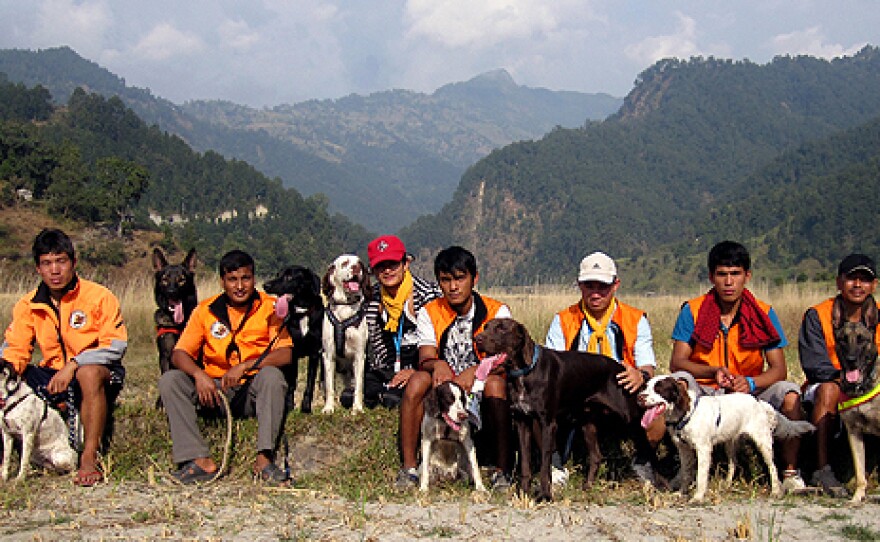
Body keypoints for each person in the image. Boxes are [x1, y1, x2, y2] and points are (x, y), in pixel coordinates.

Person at [669, 240, 808, 492]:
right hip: (707, 391)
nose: (729, 282)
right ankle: (683, 468)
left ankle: (790, 472)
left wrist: (751, 382)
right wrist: (713, 371)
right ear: (712, 277)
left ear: (747, 276)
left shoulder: (764, 313)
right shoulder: (693, 310)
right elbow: (677, 361)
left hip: (750, 390)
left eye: (735, 274)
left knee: (789, 393)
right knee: (679, 379)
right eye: (722, 274)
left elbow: (779, 369)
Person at [0, 228, 127, 487]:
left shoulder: (99, 296)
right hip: (52, 374)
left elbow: (115, 345)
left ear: (73, 263)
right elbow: (16, 349)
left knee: (88, 372)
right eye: (47, 263)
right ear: (38, 269)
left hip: (96, 371)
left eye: (61, 261)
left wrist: (75, 363)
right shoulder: (28, 305)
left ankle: (90, 457)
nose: (55, 270)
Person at [159, 249, 293, 484]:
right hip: (213, 391)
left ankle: (264, 460)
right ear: (222, 282)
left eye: (246, 279)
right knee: (170, 380)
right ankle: (199, 460)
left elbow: (285, 353)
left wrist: (246, 366)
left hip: (251, 391)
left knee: (272, 376)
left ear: (254, 278)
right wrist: (198, 375)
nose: (239, 286)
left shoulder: (269, 306)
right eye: (232, 280)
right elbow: (179, 353)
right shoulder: (205, 310)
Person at [394, 246, 513, 490]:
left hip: (481, 380)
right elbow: (426, 355)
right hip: (446, 385)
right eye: (446, 280)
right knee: (417, 382)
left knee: (496, 384)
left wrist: (476, 372)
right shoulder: (431, 312)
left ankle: (502, 470)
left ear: (474, 278)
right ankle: (409, 469)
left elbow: (507, 358)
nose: (453, 287)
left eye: (460, 278)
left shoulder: (497, 311)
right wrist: (437, 364)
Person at [545, 251, 660, 485]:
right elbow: (551, 369)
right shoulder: (563, 319)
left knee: (656, 409)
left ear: (616, 285)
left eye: (603, 286)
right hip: (574, 396)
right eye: (589, 285)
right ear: (579, 285)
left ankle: (642, 459)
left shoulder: (635, 319)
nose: (595, 293)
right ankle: (554, 461)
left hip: (620, 390)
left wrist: (641, 375)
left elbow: (647, 365)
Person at [798, 253, 879, 497]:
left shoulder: (876, 316)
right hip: (827, 386)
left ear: (873, 286)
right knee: (830, 389)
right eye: (851, 278)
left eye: (864, 279)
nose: (857, 285)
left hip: (870, 386)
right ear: (838, 282)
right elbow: (813, 364)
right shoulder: (818, 315)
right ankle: (822, 470)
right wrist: (843, 376)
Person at [363, 234, 441, 409]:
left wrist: (416, 371)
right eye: (380, 266)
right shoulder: (370, 300)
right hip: (386, 366)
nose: (387, 271)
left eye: (392, 264)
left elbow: (441, 341)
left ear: (406, 264)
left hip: (421, 364)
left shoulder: (428, 295)